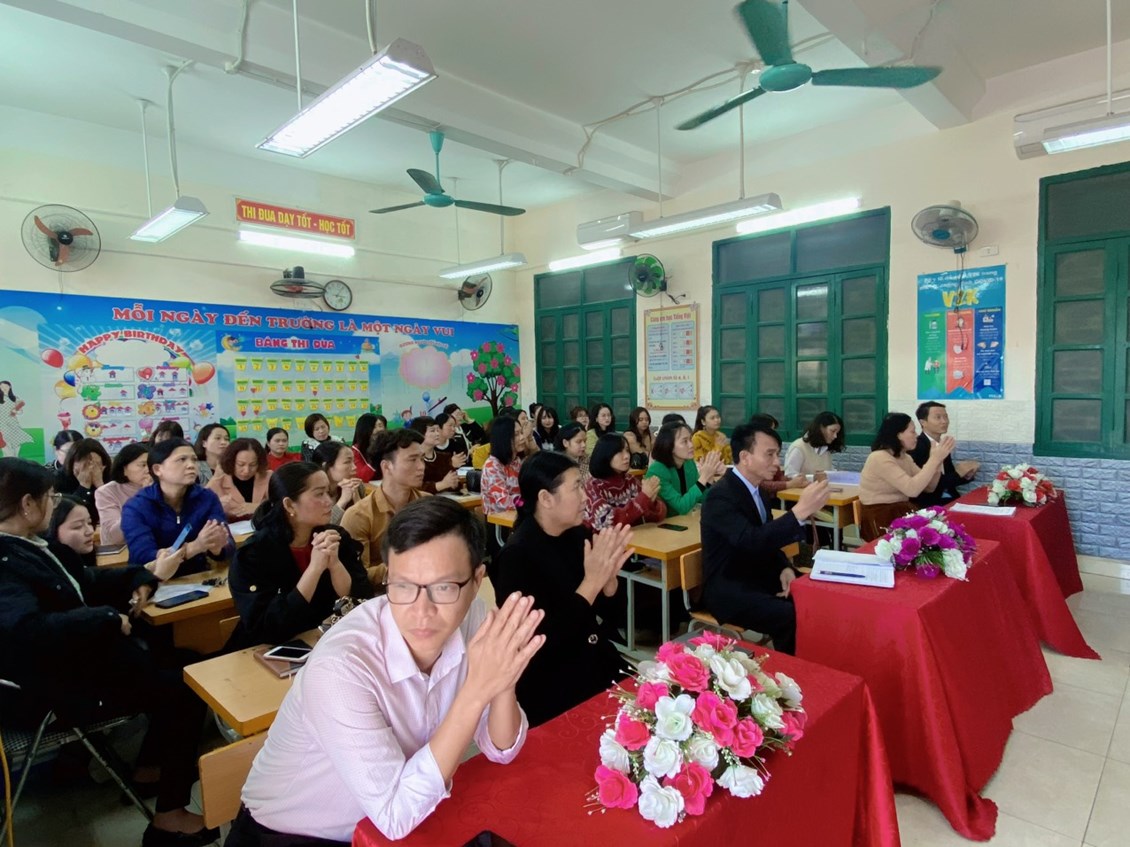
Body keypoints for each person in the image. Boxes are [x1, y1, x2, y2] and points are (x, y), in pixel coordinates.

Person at [229, 498, 543, 845]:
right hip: (293, 835)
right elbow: (396, 815)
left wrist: (502, 678)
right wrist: (476, 692)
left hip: (397, 815)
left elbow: (502, 750)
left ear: (477, 580)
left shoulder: (473, 616)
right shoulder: (341, 667)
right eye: (403, 586)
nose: (421, 611)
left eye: (444, 587)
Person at [0, 459, 215, 847]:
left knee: (187, 662)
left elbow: (84, 581)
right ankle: (169, 818)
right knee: (188, 687)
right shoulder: (5, 562)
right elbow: (27, 631)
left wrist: (139, 577)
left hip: (76, 667)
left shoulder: (28, 546)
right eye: (49, 497)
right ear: (27, 504)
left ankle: (149, 769)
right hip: (50, 691)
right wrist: (106, 618)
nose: (53, 503)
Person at [494, 452, 631, 727]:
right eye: (576, 487)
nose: (585, 497)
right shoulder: (516, 558)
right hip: (553, 685)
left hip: (596, 662)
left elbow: (616, 618)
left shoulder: (578, 535)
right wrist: (591, 584)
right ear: (546, 498)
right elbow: (542, 643)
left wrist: (609, 583)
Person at [700, 422, 830, 655]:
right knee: (789, 616)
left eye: (777, 454)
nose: (777, 462)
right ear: (745, 457)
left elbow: (767, 540)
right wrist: (798, 513)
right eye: (769, 454)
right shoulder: (720, 496)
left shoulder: (758, 489)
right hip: (730, 587)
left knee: (817, 596)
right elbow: (750, 540)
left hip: (760, 574)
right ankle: (789, 672)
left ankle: (816, 662)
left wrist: (784, 567)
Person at [227, 463, 373, 651]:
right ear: (289, 505)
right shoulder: (255, 554)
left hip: (324, 641)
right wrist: (314, 569)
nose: (329, 501)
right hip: (267, 650)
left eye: (329, 493)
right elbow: (268, 628)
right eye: (319, 494)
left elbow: (360, 599)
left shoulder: (335, 537)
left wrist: (335, 564)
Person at [122, 438, 233, 578]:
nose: (191, 465)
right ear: (157, 469)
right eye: (182, 459)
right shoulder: (136, 507)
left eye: (194, 460)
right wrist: (194, 547)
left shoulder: (207, 498)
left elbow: (228, 545)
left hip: (197, 577)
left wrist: (217, 548)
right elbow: (142, 556)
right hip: (153, 581)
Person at [341, 429, 429, 576]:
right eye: (412, 460)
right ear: (386, 466)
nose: (421, 466)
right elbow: (358, 576)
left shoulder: (429, 505)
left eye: (422, 459)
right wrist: (407, 564)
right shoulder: (359, 516)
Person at [859, 412, 955, 540]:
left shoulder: (905, 457)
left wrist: (937, 462)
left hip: (900, 511)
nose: (916, 436)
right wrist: (934, 460)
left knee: (940, 532)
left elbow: (929, 487)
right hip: (880, 516)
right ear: (898, 434)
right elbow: (912, 490)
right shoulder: (879, 457)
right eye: (912, 431)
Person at [584, 434, 666, 530]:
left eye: (627, 450)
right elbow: (606, 521)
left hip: (636, 536)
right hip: (608, 539)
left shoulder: (630, 480)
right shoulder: (594, 485)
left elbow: (659, 515)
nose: (627, 456)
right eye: (619, 451)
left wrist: (652, 503)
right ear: (605, 454)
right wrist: (643, 499)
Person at [644, 421, 726, 516]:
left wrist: (709, 478)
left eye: (690, 439)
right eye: (684, 441)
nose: (691, 445)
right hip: (665, 522)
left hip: (684, 520)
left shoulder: (688, 463)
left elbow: (700, 498)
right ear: (669, 446)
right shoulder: (657, 471)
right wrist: (703, 478)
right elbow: (681, 507)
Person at [909, 401, 979, 507]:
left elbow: (949, 478)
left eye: (945, 417)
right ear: (923, 422)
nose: (944, 421)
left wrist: (966, 475)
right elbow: (927, 485)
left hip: (950, 498)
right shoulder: (917, 447)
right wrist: (959, 473)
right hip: (929, 503)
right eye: (938, 417)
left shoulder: (943, 444)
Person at [94, 442, 150, 547]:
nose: (148, 470)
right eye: (142, 465)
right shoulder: (106, 492)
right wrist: (144, 498)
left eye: (150, 465)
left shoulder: (160, 488)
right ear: (124, 469)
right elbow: (113, 536)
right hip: (120, 550)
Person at [207, 437, 272, 520]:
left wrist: (259, 507)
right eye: (241, 464)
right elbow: (201, 509)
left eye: (252, 465)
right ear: (231, 461)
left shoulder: (268, 477)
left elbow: (280, 504)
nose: (246, 470)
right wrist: (217, 507)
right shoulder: (218, 481)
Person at [54, 437, 111, 525]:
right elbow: (66, 515)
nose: (90, 469)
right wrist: (84, 486)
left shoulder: (111, 478)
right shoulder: (59, 479)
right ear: (72, 464)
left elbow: (115, 511)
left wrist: (100, 486)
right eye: (85, 465)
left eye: (96, 464)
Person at [313, 440, 368, 524]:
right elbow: (321, 527)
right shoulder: (314, 493)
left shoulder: (357, 486)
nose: (354, 467)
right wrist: (343, 501)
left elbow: (365, 522)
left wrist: (357, 499)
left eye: (353, 461)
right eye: (347, 462)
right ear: (326, 466)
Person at [409, 416, 465, 493]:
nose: (437, 434)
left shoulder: (444, 457)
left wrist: (455, 484)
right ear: (420, 434)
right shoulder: (412, 460)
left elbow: (455, 484)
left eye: (438, 430)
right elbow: (414, 489)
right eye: (432, 431)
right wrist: (442, 485)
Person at [481, 415, 524, 516]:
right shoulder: (492, 466)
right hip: (498, 520)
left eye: (521, 432)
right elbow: (504, 501)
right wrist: (526, 504)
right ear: (503, 438)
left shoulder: (517, 462)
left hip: (517, 516)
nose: (522, 438)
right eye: (516, 434)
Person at [783, 411, 845, 478]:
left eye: (837, 433)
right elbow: (789, 475)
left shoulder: (825, 449)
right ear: (821, 428)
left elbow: (828, 471)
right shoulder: (799, 447)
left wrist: (837, 474)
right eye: (832, 431)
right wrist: (813, 478)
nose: (835, 436)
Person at [0, 380, 32, 458]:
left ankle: (15, 459)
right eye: (1, 387)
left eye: (6, 386)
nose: (4, 388)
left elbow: (20, 411)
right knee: (6, 443)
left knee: (16, 442)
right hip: (2, 424)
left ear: (10, 387)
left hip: (13, 423)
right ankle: (9, 459)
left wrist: (16, 411)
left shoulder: (15, 398)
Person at [349, 413, 379, 483]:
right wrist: (375, 459)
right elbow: (360, 478)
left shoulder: (386, 445)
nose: (378, 430)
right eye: (374, 427)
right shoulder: (355, 451)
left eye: (380, 426)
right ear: (365, 429)